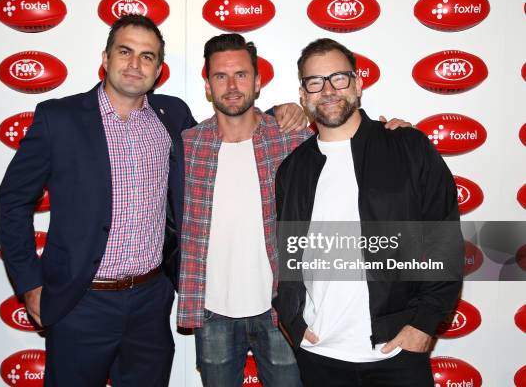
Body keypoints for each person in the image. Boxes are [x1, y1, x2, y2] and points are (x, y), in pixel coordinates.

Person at [0, 15, 306, 387]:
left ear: (158, 69)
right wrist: (30, 285)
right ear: (106, 57)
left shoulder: (171, 117)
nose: (134, 64)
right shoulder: (59, 119)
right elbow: (12, 201)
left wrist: (280, 114)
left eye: (147, 56)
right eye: (125, 52)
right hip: (81, 303)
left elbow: (234, 125)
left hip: (150, 303)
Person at [176, 34, 412, 387]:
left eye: (241, 75)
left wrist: (393, 136)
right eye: (220, 76)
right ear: (207, 86)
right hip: (213, 313)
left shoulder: (292, 139)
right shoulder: (188, 146)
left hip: (281, 311)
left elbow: (349, 140)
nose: (231, 85)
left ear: (258, 82)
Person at [273, 38, 463, 387]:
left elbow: (444, 241)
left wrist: (423, 325)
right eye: (315, 82)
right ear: (303, 95)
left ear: (358, 84)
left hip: (395, 353)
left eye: (339, 78)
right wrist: (292, 321)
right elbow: (287, 256)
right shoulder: (293, 169)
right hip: (320, 354)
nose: (328, 90)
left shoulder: (408, 146)